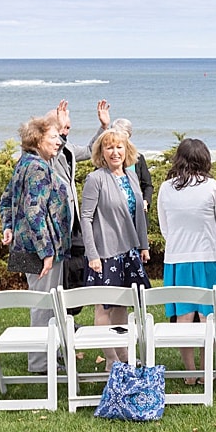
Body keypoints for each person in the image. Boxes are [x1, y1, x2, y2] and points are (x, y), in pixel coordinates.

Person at [157, 138, 216, 385]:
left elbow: (165, 227)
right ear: (205, 159)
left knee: (184, 317)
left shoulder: (165, 188)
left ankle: (190, 372)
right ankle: (206, 372)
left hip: (177, 260)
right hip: (210, 259)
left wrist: (178, 245)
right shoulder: (213, 187)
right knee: (207, 318)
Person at [0, 116, 72, 373]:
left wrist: (8, 227)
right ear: (38, 139)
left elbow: (6, 198)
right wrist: (47, 252)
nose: (59, 141)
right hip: (40, 250)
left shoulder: (26, 163)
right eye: (53, 137)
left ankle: (49, 357)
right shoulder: (38, 167)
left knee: (47, 302)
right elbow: (33, 211)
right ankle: (41, 363)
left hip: (28, 246)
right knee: (44, 305)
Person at [80, 128, 151, 371]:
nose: (115, 152)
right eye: (109, 147)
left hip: (129, 251)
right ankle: (110, 358)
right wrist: (93, 254)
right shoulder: (95, 179)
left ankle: (123, 356)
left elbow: (138, 215)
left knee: (122, 305)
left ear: (127, 150)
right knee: (104, 306)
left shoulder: (131, 177)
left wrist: (143, 245)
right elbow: (86, 218)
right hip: (105, 253)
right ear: (101, 152)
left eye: (119, 146)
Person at [48, 99, 110, 294]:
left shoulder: (69, 149)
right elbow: (53, 154)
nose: (66, 131)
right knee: (58, 275)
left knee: (75, 268)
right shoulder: (46, 152)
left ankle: (70, 313)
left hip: (73, 219)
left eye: (68, 128)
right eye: (63, 127)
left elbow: (91, 150)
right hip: (57, 221)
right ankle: (58, 316)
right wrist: (57, 129)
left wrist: (104, 127)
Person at [111, 118, 154, 210]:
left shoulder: (138, 158)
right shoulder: (107, 158)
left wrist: (146, 201)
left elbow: (147, 185)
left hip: (137, 209)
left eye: (124, 134)